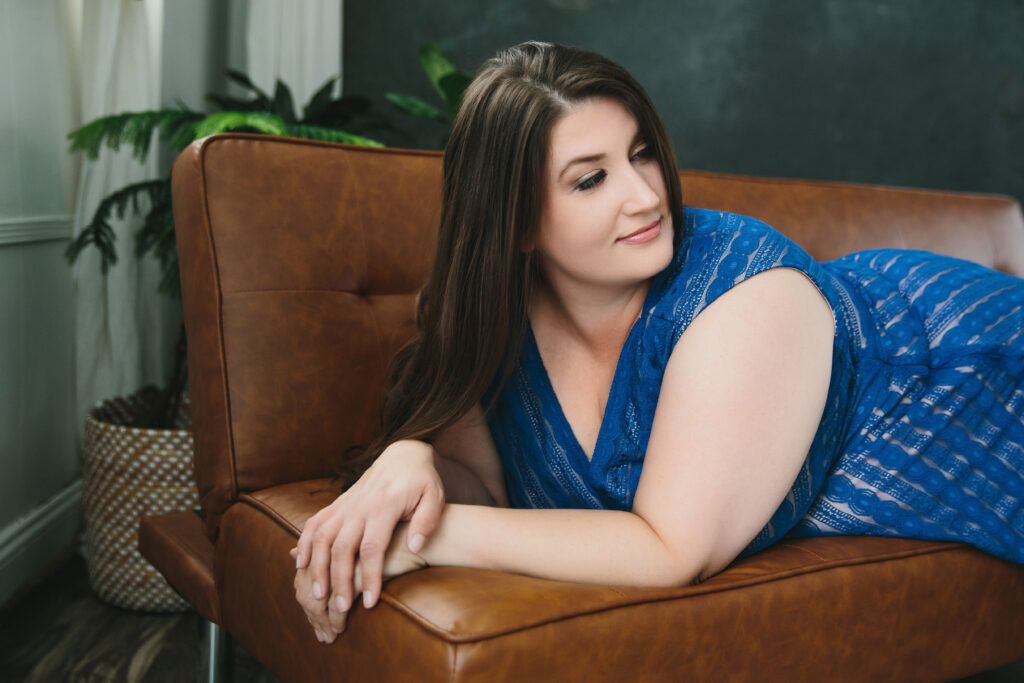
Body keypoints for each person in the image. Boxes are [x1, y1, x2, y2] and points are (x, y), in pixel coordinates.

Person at [290, 41, 1024, 644]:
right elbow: (491, 487)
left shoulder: (746, 297)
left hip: (978, 375)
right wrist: (410, 458)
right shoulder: (492, 324)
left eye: (641, 154)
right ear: (515, 225)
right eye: (590, 180)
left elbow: (670, 549)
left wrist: (427, 536)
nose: (645, 195)